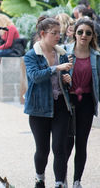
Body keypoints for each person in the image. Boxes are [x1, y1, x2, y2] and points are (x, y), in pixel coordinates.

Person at [24, 17, 73, 188]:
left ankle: (60, 183)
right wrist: (56, 69)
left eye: (59, 33)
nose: (58, 36)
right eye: (54, 33)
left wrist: (68, 79)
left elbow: (69, 80)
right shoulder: (31, 55)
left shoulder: (62, 53)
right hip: (38, 108)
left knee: (60, 147)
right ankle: (40, 179)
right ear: (43, 34)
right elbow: (35, 77)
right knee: (42, 149)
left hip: (61, 105)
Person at [65, 18, 100, 188]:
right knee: (67, 142)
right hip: (68, 102)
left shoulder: (97, 57)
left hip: (86, 102)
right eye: (80, 32)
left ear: (93, 36)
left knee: (81, 143)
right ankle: (61, 179)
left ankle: (76, 181)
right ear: (74, 33)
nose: (84, 35)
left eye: (88, 33)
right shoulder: (65, 52)